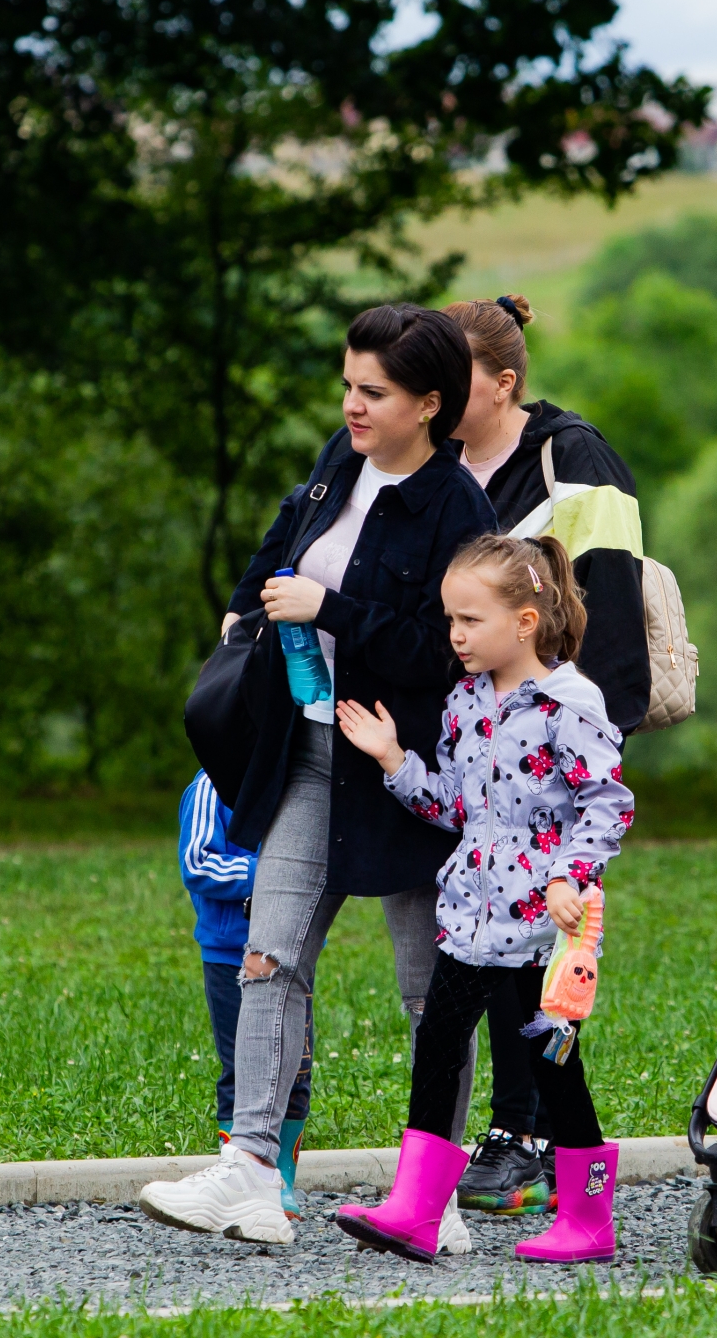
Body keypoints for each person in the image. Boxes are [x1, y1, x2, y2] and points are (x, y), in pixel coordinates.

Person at [138, 304, 498, 1249]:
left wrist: (329, 609)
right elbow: (280, 545)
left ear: (429, 403)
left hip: (411, 770)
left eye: (372, 392)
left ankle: (434, 1195)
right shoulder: (340, 462)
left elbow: (449, 646)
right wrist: (242, 612)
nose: (351, 405)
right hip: (308, 753)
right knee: (270, 955)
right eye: (347, 384)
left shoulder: (462, 509)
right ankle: (253, 1172)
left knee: (434, 992)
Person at [333, 532, 634, 1265]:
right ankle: (416, 1209)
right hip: (471, 917)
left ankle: (589, 1218)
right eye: (450, 619)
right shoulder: (466, 702)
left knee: (551, 1066)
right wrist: (393, 759)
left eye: (470, 620)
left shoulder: (570, 703)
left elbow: (609, 802)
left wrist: (571, 875)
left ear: (525, 621)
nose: (455, 635)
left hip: (539, 927)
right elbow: (455, 807)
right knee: (438, 1042)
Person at [443, 294, 651, 1215]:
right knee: (493, 950)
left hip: (562, 738)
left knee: (539, 962)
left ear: (504, 383)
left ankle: (536, 1136)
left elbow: (608, 598)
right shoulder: (437, 464)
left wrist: (579, 735)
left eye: (449, 382)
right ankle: (525, 1132)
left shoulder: (573, 457)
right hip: (484, 737)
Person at [175, 769, 315, 1213]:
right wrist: (271, 875)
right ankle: (238, 1169)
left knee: (296, 1068)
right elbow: (197, 862)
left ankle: (282, 1182)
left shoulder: (300, 782)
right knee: (243, 1066)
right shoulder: (209, 786)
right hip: (229, 952)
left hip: (291, 952)